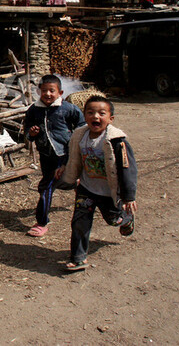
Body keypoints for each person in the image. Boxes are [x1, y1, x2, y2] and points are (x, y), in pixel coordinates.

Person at [58, 95, 137, 272]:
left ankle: (126, 219)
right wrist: (63, 166)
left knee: (113, 219)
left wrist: (129, 196)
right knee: (80, 222)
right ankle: (78, 258)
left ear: (111, 118)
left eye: (102, 113)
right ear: (84, 116)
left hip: (109, 192)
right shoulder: (80, 135)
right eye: (90, 112)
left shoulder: (117, 141)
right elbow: (71, 154)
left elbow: (127, 169)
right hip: (86, 188)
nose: (96, 117)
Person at [23, 74, 85, 237]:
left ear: (60, 92)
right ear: (39, 92)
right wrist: (32, 133)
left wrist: (75, 140)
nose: (48, 94)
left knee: (49, 185)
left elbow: (82, 125)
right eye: (44, 91)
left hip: (66, 154)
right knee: (52, 184)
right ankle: (43, 222)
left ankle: (42, 222)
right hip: (46, 155)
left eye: (52, 91)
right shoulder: (34, 110)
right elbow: (27, 128)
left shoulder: (68, 109)